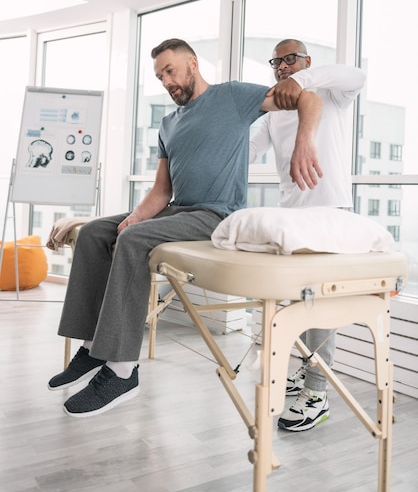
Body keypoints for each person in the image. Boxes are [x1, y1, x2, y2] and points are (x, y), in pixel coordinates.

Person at [48, 37, 323, 418]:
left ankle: (122, 370)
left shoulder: (232, 97)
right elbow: (162, 192)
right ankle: (94, 345)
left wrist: (303, 143)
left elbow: (309, 100)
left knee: (132, 239)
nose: (166, 81)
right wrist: (134, 217)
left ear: (192, 63)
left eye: (170, 71)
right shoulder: (168, 123)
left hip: (216, 213)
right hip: (176, 209)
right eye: (160, 76)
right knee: (96, 231)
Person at [249, 38, 365, 432]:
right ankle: (307, 371)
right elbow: (246, 151)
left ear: (306, 61)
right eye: (276, 61)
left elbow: (357, 75)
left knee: (318, 309)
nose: (281, 66)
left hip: (330, 212)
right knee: (298, 306)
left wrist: (302, 80)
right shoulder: (272, 116)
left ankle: (317, 392)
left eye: (289, 59)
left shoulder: (328, 96)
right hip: (293, 220)